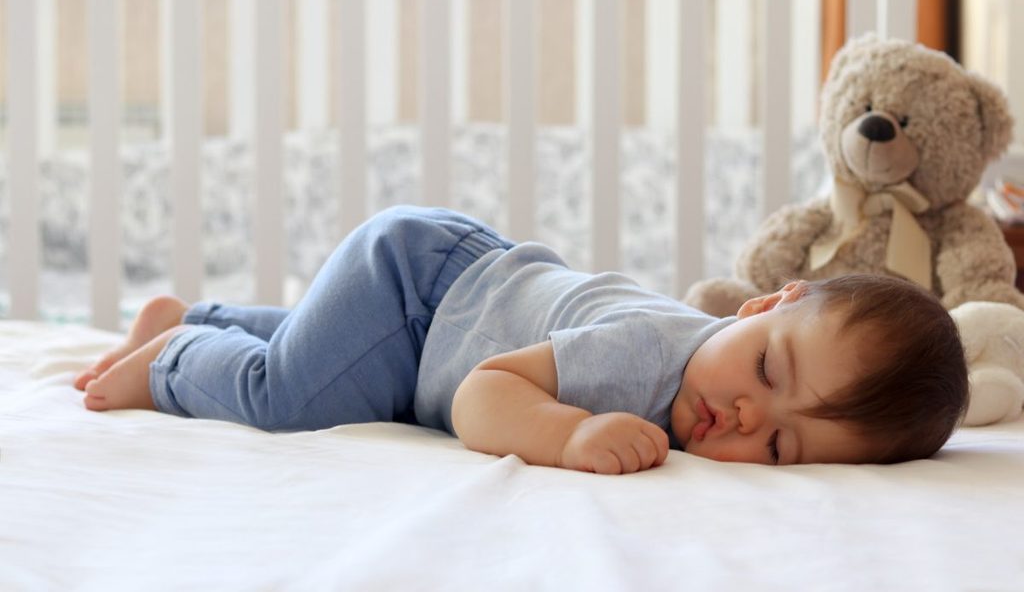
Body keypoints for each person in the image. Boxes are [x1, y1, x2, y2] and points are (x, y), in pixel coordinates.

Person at [75, 206, 968, 474]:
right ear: (763, 305)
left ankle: (194, 318)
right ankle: (172, 362)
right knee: (296, 398)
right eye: (768, 368)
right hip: (415, 289)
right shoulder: (647, 352)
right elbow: (480, 396)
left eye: (778, 443)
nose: (742, 411)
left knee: (351, 369)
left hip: (433, 320)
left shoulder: (709, 377)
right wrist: (570, 433)